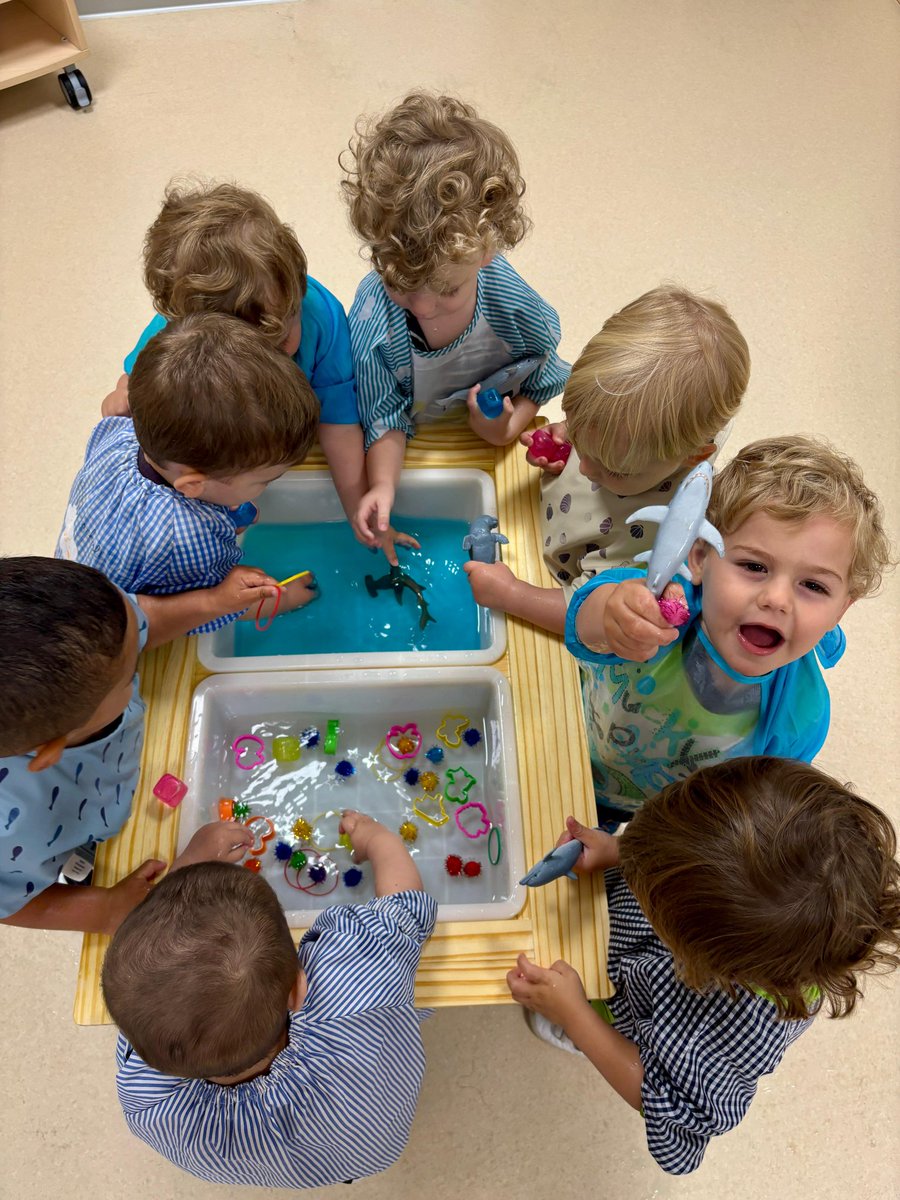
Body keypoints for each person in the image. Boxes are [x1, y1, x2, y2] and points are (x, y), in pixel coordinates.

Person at [508, 757, 900, 1174]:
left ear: (702, 963)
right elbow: (696, 851)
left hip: (639, 1005)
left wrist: (577, 1018)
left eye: (653, 881)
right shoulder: (751, 885)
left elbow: (670, 1110)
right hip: (638, 943)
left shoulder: (740, 1029)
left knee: (593, 1011)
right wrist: (624, 852)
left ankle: (587, 1031)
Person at [102, 810, 438, 1189]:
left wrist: (188, 865)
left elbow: (156, 997)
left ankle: (342, 1174)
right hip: (370, 1140)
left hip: (310, 1162)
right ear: (297, 990)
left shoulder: (147, 1103)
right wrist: (377, 840)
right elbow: (405, 911)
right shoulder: (350, 992)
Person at [567, 436, 892, 826]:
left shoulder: (800, 716)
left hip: (648, 822)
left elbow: (742, 807)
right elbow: (582, 623)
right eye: (754, 567)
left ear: (842, 609)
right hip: (564, 737)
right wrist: (612, 614)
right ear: (700, 557)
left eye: (814, 586)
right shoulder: (663, 603)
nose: (777, 599)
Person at [342, 91, 570, 560]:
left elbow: (545, 373)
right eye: (402, 286)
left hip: (487, 449)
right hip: (414, 442)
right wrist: (382, 487)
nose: (423, 309)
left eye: (447, 291)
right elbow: (384, 416)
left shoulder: (515, 308)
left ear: (488, 251)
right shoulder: (373, 324)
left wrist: (510, 426)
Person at [103, 180, 385, 541]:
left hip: (283, 444)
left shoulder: (318, 315)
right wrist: (122, 391)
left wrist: (355, 506)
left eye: (283, 338)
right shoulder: (174, 336)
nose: (278, 357)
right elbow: (143, 382)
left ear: (295, 292)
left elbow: (339, 425)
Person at [0, 556, 267, 931]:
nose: (141, 640)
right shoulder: (13, 830)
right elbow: (10, 902)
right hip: (67, 833)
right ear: (49, 751)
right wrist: (105, 908)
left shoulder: (86, 625)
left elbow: (137, 624)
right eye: (130, 675)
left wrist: (213, 602)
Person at [465, 287, 750, 632]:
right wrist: (566, 437)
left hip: (559, 580)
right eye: (582, 437)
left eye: (611, 468)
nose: (584, 468)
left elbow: (589, 608)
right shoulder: (631, 443)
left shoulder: (657, 533)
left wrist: (512, 595)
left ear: (692, 458)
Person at [58, 313, 319, 632]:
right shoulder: (183, 541)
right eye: (263, 480)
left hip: (74, 568)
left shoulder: (118, 431)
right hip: (104, 629)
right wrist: (282, 598)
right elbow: (204, 609)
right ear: (193, 485)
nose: (268, 486)